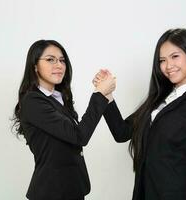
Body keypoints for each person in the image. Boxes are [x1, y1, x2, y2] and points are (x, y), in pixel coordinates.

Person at [93, 28, 186, 200]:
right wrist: (106, 95)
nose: (168, 66)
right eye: (162, 60)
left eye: (175, 56)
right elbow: (121, 132)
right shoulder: (157, 100)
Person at [12, 39, 115, 200]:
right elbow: (79, 136)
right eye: (50, 59)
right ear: (35, 66)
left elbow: (75, 135)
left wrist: (105, 94)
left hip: (72, 189)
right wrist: (100, 94)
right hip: (51, 192)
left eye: (62, 60)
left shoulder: (59, 98)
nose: (59, 65)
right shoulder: (33, 101)